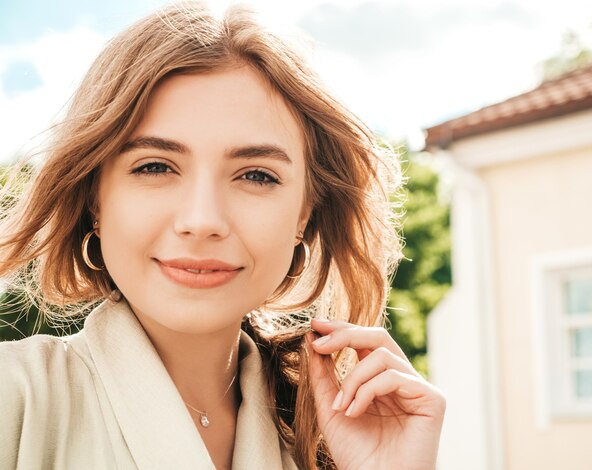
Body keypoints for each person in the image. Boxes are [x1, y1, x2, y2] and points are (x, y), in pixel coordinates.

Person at [0, 3, 445, 469]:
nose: (203, 219)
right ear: (95, 198)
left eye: (256, 175)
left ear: (305, 214)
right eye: (154, 166)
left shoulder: (331, 443)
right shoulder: (16, 400)